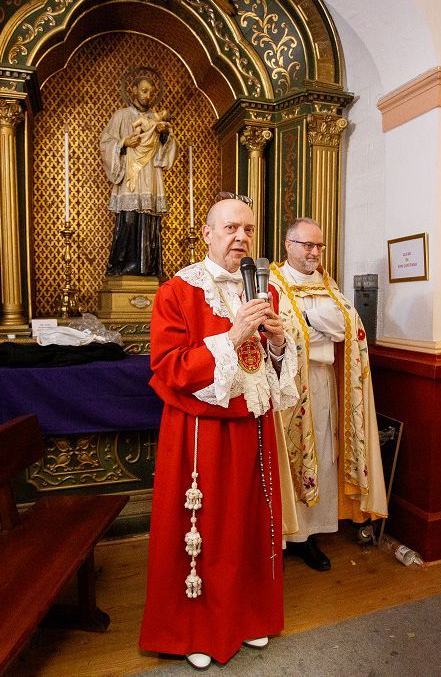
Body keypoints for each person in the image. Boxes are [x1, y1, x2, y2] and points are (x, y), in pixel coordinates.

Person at [138, 198, 299, 669]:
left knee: (247, 526)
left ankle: (248, 616)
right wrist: (232, 337)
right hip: (200, 434)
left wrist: (277, 342)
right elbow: (169, 367)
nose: (241, 237)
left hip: (252, 428)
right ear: (207, 234)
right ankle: (195, 629)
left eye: (248, 228)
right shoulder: (177, 291)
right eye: (231, 228)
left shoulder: (266, 290)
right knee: (204, 532)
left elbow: (271, 370)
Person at [269, 218, 388, 572]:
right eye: (308, 245)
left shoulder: (328, 285)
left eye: (319, 246)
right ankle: (279, 536)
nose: (315, 252)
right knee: (283, 460)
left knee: (321, 455)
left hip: (322, 384)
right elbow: (277, 334)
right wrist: (315, 325)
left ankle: (307, 537)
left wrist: (307, 320)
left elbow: (348, 325)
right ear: (288, 245)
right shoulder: (272, 284)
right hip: (285, 387)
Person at [99, 71, 177, 276]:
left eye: (151, 92)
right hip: (130, 176)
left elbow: (167, 152)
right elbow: (106, 143)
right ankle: (123, 268)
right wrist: (123, 142)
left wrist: (164, 135)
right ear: (133, 90)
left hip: (150, 176)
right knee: (129, 220)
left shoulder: (156, 119)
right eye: (143, 91)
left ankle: (149, 268)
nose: (147, 96)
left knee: (150, 222)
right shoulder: (121, 116)